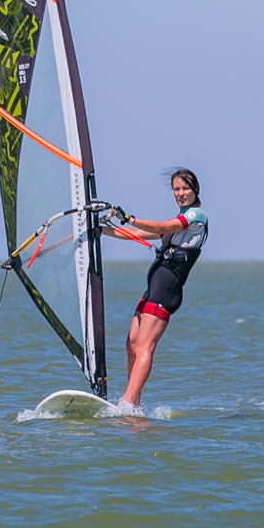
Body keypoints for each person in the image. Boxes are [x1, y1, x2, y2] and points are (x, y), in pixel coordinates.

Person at [102, 169, 208, 409]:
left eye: (185, 188)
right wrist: (102, 231)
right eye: (176, 189)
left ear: (195, 190)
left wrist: (128, 217)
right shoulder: (179, 219)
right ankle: (134, 403)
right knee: (131, 343)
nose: (181, 193)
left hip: (167, 289)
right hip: (154, 288)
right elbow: (138, 234)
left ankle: (127, 402)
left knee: (144, 346)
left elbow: (160, 225)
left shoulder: (196, 215)